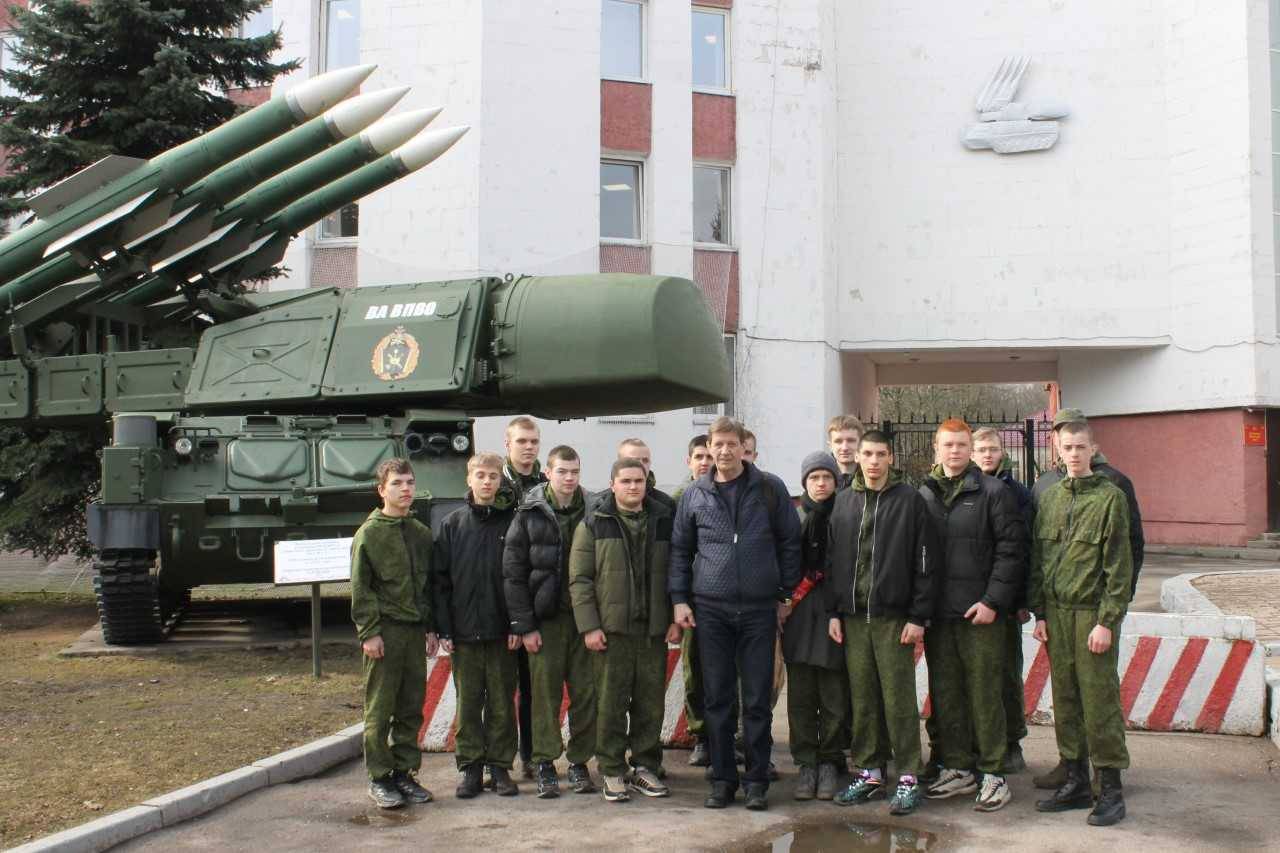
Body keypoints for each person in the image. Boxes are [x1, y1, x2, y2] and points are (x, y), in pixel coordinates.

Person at [670, 416, 802, 811]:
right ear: (709, 447)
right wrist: (679, 598)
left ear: (744, 447)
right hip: (711, 611)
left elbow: (790, 542)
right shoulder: (695, 494)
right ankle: (723, 780)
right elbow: (680, 550)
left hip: (759, 610)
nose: (725, 451)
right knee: (717, 698)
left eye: (732, 444)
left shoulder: (770, 489)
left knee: (758, 700)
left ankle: (757, 780)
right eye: (718, 444)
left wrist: (785, 593)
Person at [1030, 407, 1143, 792]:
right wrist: (1040, 613)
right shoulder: (1049, 498)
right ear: (1057, 450)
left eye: (1080, 447)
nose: (1074, 454)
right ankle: (1074, 774)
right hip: (1057, 615)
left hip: (1092, 614)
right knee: (1064, 696)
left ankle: (1109, 782)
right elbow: (1039, 560)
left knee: (1099, 698)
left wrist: (1107, 621)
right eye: (1068, 447)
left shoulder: (1111, 497)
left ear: (1093, 449)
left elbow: (1119, 566)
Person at [826, 430, 938, 816]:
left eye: (880, 454)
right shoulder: (844, 501)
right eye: (867, 454)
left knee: (898, 699)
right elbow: (833, 561)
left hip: (894, 618)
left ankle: (908, 776)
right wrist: (834, 612)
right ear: (857, 457)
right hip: (854, 618)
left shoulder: (910, 500)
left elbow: (925, 563)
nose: (873, 461)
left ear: (891, 457)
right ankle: (870, 772)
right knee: (863, 698)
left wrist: (918, 616)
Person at [918, 420, 1024, 813]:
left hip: (979, 615)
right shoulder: (925, 494)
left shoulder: (993, 492)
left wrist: (992, 601)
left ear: (970, 449)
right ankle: (958, 767)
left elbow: (1011, 550)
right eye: (948, 445)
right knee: (947, 695)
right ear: (937, 448)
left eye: (961, 445)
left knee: (985, 693)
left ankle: (993, 772)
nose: (955, 451)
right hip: (940, 616)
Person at [570, 457, 682, 803]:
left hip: (652, 631)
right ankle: (612, 770)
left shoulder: (663, 520)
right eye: (626, 481)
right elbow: (580, 579)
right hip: (611, 632)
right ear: (613, 484)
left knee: (650, 704)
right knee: (610, 704)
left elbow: (676, 571)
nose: (633, 487)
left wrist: (673, 619)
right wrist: (590, 626)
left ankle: (645, 766)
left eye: (639, 481)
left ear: (647, 483)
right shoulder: (594, 523)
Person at [503, 445, 598, 799]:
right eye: (562, 471)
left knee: (586, 694)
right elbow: (513, 572)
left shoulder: (594, 509)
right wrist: (525, 625)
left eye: (574, 472)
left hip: (585, 618)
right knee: (544, 696)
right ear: (548, 473)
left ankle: (579, 762)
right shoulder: (529, 513)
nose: (569, 478)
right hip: (546, 621)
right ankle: (544, 762)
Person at [351, 458, 438, 809]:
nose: (405, 489)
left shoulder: (420, 534)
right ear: (381, 490)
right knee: (380, 708)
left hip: (414, 631)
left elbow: (427, 588)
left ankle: (404, 772)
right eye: (397, 483)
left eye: (410, 482)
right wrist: (369, 632)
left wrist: (430, 628)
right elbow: (361, 588)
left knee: (411, 707)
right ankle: (380, 776)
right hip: (385, 632)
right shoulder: (369, 534)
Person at [433, 452, 521, 799]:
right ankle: (470, 768)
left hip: (502, 632)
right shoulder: (452, 525)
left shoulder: (513, 523)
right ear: (469, 479)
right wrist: (444, 629)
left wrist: (517, 624)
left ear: (501, 481)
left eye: (493, 476)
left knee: (502, 703)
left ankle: (499, 768)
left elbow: (519, 577)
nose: (487, 482)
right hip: (464, 633)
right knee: (469, 703)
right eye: (480, 475)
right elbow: (441, 581)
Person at [780, 451, 848, 802]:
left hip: (835, 613)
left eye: (827, 477)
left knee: (834, 696)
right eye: (814, 478)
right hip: (799, 613)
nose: (821, 484)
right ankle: (806, 762)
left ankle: (830, 760)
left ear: (836, 481)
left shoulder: (846, 513)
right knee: (801, 697)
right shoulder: (791, 516)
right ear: (805, 482)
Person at [972, 426, 1035, 773]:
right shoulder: (962, 489)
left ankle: (1012, 741)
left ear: (1002, 452)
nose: (987, 455)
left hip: (1007, 602)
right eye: (981, 449)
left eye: (993, 449)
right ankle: (976, 743)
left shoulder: (1017, 493)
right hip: (969, 600)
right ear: (972, 453)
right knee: (974, 678)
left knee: (1007, 675)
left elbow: (1023, 549)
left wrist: (1022, 599)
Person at [501, 416, 544, 779]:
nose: (528, 447)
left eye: (533, 441)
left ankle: (530, 754)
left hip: (536, 598)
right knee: (500, 689)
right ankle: (497, 761)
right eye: (522, 441)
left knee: (534, 687)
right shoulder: (497, 485)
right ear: (508, 444)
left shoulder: (544, 485)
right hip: (503, 597)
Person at [672, 433, 715, 766]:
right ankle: (700, 734)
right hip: (692, 600)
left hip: (722, 598)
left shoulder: (725, 493)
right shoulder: (678, 499)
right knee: (695, 670)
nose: (704, 462)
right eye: (699, 456)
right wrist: (678, 599)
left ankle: (730, 735)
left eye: (708, 456)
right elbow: (674, 554)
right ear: (689, 461)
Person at [610, 437, 675, 510]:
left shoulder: (666, 504)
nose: (641, 465)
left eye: (645, 460)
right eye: (634, 461)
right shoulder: (601, 505)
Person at [827, 415, 865, 490]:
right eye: (838, 441)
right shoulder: (820, 479)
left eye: (851, 441)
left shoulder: (872, 479)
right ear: (830, 446)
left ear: (861, 444)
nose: (845, 448)